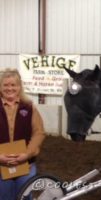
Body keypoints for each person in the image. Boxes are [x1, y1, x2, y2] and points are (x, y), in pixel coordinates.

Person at [0, 68, 46, 200]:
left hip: (26, 164)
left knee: (25, 197)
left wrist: (27, 154)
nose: (10, 88)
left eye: (13, 85)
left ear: (19, 87)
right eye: (6, 85)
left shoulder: (29, 106)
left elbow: (39, 133)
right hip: (1, 165)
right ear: (0, 87)